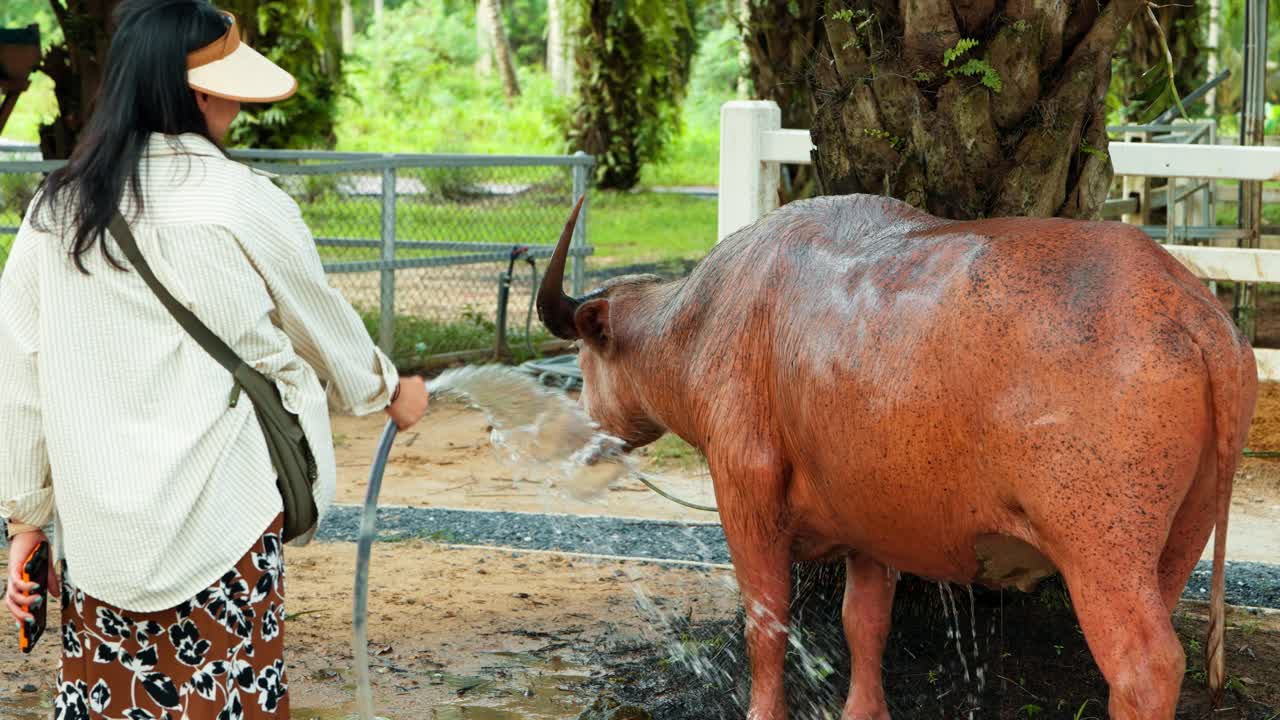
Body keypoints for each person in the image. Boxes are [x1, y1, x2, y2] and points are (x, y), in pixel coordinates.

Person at [0, 1, 429, 717]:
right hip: (222, 523)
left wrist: (26, 524)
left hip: (100, 542)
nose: (237, 101)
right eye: (227, 84)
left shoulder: (54, 214)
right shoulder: (241, 200)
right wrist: (387, 389)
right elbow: (320, 321)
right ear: (197, 93)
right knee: (227, 699)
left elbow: (20, 382)